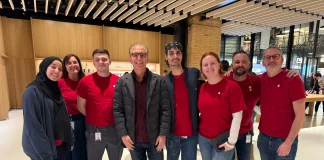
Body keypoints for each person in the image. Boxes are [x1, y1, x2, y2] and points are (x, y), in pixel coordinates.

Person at [226, 51, 299, 160]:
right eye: (237, 62)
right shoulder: (224, 81)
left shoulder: (256, 81)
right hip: (226, 131)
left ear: (249, 64)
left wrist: (287, 72)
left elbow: (273, 77)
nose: (240, 64)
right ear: (232, 65)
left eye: (244, 62)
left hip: (246, 132)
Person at [113, 42, 171, 160]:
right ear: (130, 59)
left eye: (142, 55)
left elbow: (165, 109)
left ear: (147, 58)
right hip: (133, 139)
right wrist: (123, 134)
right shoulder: (122, 82)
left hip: (155, 138)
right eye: (135, 55)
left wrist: (163, 134)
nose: (139, 58)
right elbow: (118, 110)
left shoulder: (159, 81)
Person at [257, 47, 306, 160]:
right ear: (263, 63)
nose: (271, 60)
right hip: (263, 138)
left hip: (284, 140)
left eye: (275, 56)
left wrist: (288, 142)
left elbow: (300, 115)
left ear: (282, 59)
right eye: (267, 57)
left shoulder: (293, 79)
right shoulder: (260, 80)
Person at [22, 56, 73, 160]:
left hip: (60, 145)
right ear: (44, 67)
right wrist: (45, 154)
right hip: (45, 151)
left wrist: (70, 139)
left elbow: (64, 116)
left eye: (60, 69)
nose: (57, 71)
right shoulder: (32, 91)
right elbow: (33, 127)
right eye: (53, 67)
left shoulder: (55, 89)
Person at [198, 52, 246, 160]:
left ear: (219, 65)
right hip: (203, 138)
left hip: (223, 139)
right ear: (202, 68)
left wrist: (231, 141)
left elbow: (237, 116)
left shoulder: (232, 87)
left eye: (212, 63)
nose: (209, 67)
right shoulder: (203, 88)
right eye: (205, 65)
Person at [76, 49, 123, 160]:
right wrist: (95, 118)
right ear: (94, 62)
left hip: (114, 130)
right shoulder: (85, 82)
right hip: (94, 130)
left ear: (110, 61)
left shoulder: (119, 81)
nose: (101, 62)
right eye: (97, 59)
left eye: (104, 59)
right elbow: (80, 106)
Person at [163, 42, 200, 160]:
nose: (175, 56)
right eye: (171, 53)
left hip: (191, 133)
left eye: (178, 52)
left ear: (182, 55)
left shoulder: (194, 74)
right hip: (172, 133)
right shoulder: (164, 81)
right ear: (166, 56)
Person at [58, 54, 87, 160]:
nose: (72, 65)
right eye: (69, 63)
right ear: (65, 67)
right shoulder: (60, 83)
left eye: (75, 62)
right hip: (66, 121)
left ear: (79, 64)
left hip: (83, 119)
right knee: (68, 150)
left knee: (82, 149)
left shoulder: (85, 81)